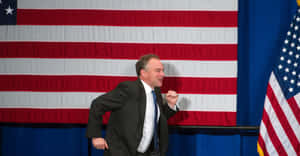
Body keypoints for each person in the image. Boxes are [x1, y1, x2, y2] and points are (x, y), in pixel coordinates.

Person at [86, 54, 179, 156]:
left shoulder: (156, 91)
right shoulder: (129, 89)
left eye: (162, 70)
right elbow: (98, 104)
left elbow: (155, 118)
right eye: (158, 71)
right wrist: (95, 136)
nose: (163, 74)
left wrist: (170, 105)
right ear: (143, 73)